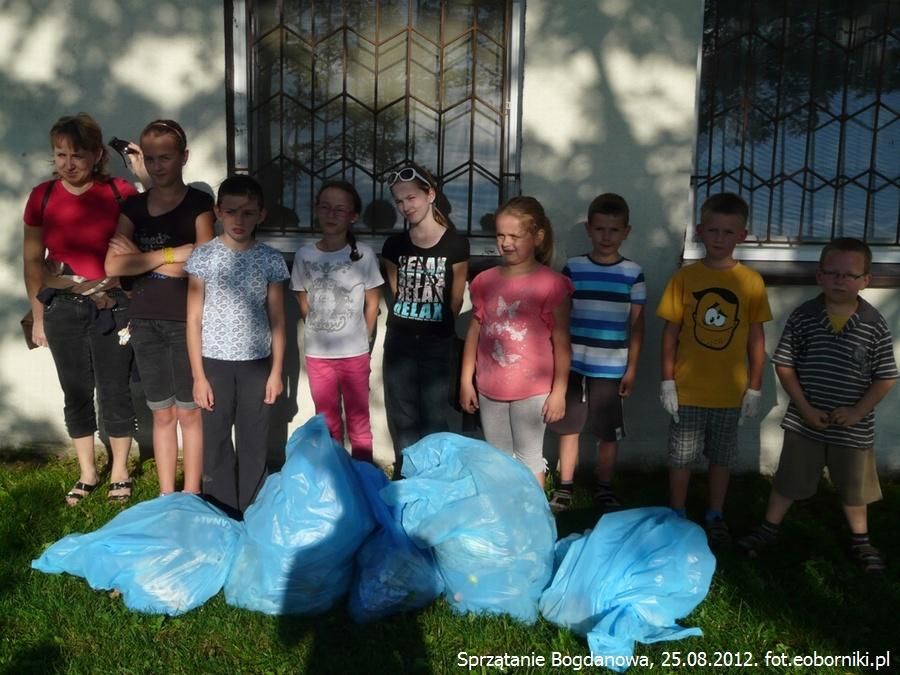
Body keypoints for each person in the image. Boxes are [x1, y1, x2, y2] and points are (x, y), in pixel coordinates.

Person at [737, 238, 897, 573]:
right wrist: (805, 408)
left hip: (852, 427)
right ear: (819, 276)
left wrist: (857, 412)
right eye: (833, 273)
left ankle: (861, 541)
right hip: (804, 421)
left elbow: (885, 377)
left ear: (865, 281)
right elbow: (785, 364)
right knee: (788, 480)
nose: (840, 280)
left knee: (855, 488)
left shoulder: (874, 324)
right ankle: (769, 528)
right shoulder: (804, 316)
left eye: (850, 275)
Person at [23, 113, 139, 505]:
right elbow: (32, 262)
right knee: (75, 391)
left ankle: (120, 471)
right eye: (61, 155)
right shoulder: (42, 197)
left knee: (115, 390)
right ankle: (88, 472)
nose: (69, 163)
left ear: (96, 155)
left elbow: (140, 247)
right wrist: (38, 318)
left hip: (112, 307)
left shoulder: (120, 192)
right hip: (62, 309)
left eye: (77, 154)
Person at [105, 119, 215, 496]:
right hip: (144, 321)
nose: (156, 166)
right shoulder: (134, 207)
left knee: (189, 412)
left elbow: (203, 264)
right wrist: (170, 255)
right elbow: (113, 265)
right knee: (162, 413)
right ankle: (167, 495)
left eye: (165, 157)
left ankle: (192, 493)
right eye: (149, 159)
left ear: (184, 157)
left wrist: (139, 258)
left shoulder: (199, 204)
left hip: (186, 322)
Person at [656, 192, 772, 546]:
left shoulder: (751, 282)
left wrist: (754, 387)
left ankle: (715, 513)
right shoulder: (685, 278)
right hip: (688, 390)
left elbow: (756, 338)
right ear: (700, 231)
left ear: (742, 235)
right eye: (713, 230)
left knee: (721, 458)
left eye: (728, 232)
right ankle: (677, 513)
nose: (719, 238)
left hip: (729, 393)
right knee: (681, 458)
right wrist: (667, 381)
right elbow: (670, 333)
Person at [184, 175, 289, 515]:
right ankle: (223, 509)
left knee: (254, 440)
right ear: (218, 212)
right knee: (215, 440)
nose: (238, 220)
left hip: (256, 364)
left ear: (261, 215)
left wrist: (276, 373)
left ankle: (253, 510)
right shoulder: (203, 257)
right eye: (230, 212)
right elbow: (193, 319)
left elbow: (277, 319)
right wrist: (198, 377)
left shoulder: (270, 259)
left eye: (248, 212)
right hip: (213, 363)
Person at [460, 196, 572, 487]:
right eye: (500, 235)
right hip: (489, 387)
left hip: (532, 390)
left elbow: (562, 342)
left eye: (515, 236)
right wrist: (465, 380)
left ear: (537, 237)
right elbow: (474, 332)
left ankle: (533, 512)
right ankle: (505, 511)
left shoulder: (551, 284)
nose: (506, 242)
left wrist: (559, 391)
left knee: (529, 458)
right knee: (498, 458)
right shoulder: (484, 281)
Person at [547, 193, 645, 514]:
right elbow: (561, 319)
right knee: (569, 427)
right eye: (600, 229)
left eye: (614, 230)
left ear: (626, 232)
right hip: (575, 365)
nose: (606, 236)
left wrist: (632, 369)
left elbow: (637, 326)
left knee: (608, 433)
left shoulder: (633, 273)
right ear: (589, 229)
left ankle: (604, 488)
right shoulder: (573, 268)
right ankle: (565, 486)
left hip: (612, 368)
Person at [382, 164, 470, 478]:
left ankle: (435, 477)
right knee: (403, 414)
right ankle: (407, 476)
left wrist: (434, 325)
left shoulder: (456, 244)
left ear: (430, 195)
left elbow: (456, 299)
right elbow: (396, 292)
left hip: (438, 342)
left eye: (411, 198)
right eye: (399, 201)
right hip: (400, 340)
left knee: (434, 415)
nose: (406, 206)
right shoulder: (394, 246)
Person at [291, 181, 384, 462]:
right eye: (325, 207)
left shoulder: (363, 255)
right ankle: (336, 476)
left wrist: (364, 338)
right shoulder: (304, 255)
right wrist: (321, 330)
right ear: (316, 210)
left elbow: (372, 303)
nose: (331, 214)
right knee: (327, 422)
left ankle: (363, 476)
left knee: (359, 423)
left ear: (353, 216)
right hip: (318, 355)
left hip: (354, 354)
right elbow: (303, 300)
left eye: (340, 209)